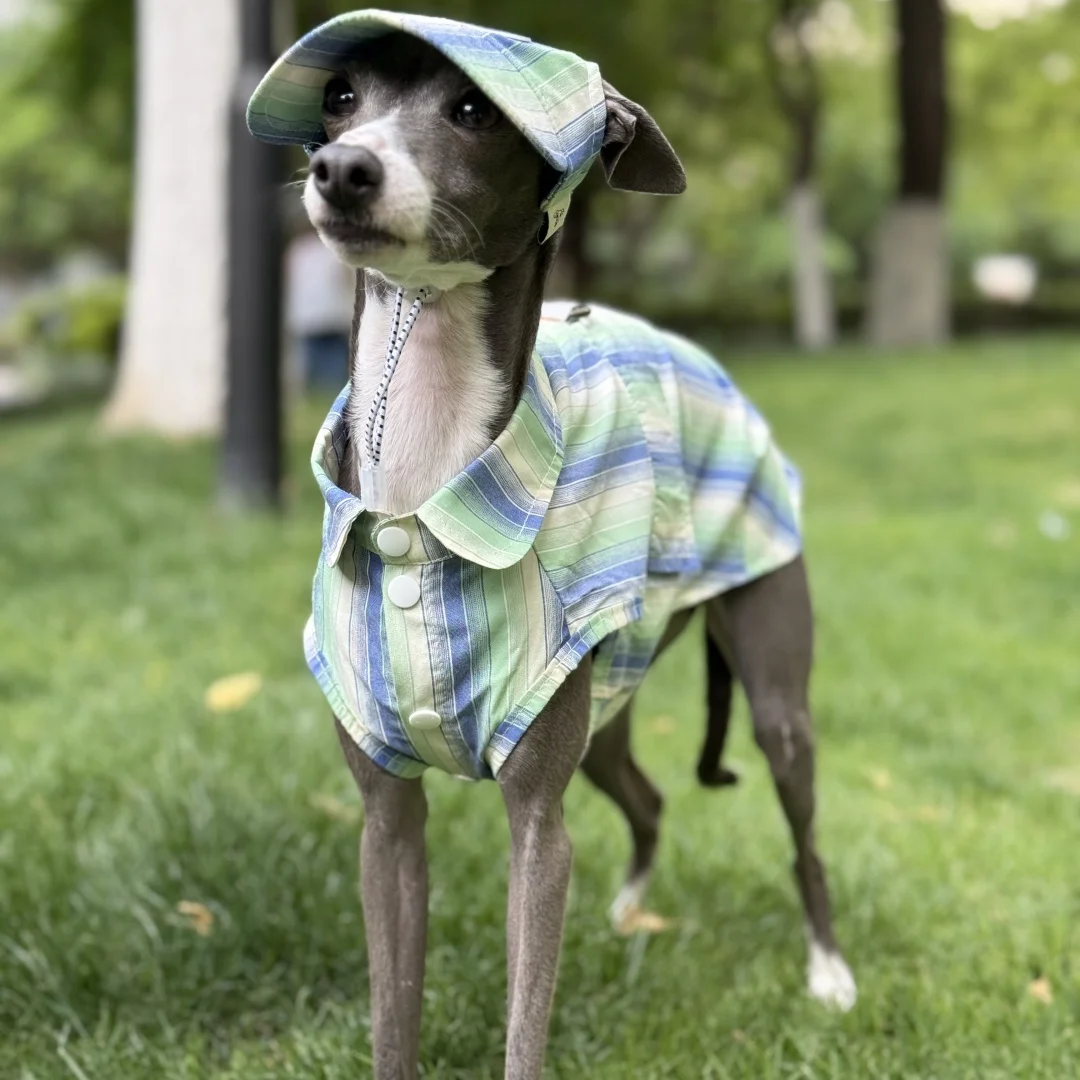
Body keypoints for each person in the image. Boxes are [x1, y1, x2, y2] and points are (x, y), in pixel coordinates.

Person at [285, 228, 354, 389]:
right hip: (326, 316)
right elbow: (346, 280)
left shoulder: (297, 249)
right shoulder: (334, 248)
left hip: (313, 317)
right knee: (330, 370)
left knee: (318, 371)